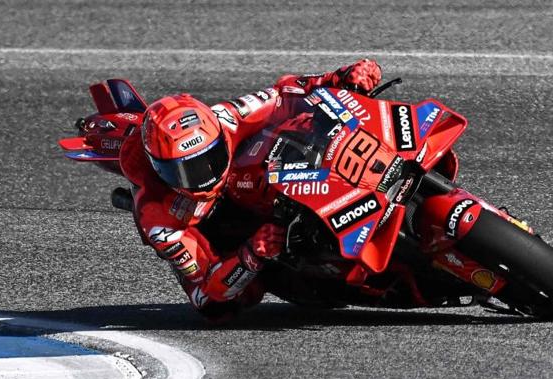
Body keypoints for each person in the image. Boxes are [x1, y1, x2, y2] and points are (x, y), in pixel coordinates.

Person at [117, 59, 382, 321]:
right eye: (187, 171)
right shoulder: (158, 219)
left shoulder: (226, 117)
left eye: (211, 158)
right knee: (215, 306)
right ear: (162, 170)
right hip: (218, 239)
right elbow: (210, 286)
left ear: (218, 135)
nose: (206, 174)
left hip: (254, 177)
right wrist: (252, 253)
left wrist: (340, 77)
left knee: (306, 119)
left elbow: (283, 94)